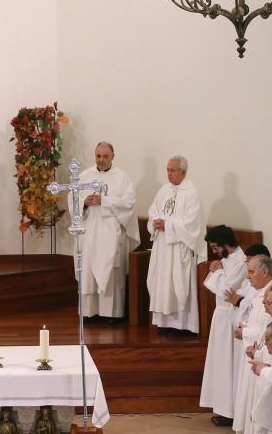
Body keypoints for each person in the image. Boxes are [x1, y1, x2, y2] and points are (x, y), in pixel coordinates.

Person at [73, 142, 139, 324]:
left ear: (112, 157)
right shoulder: (84, 176)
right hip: (89, 231)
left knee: (111, 271)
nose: (101, 160)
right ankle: (89, 312)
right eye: (98, 156)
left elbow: (129, 202)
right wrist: (84, 202)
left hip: (111, 230)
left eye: (105, 156)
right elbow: (73, 201)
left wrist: (104, 200)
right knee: (88, 270)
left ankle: (112, 314)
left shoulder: (123, 177)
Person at [231, 255, 272, 434]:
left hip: (264, 360)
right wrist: (245, 328)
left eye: (251, 272)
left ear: (265, 272)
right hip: (256, 354)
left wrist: (247, 332)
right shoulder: (263, 292)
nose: (248, 276)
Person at [146, 156, 206, 335]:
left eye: (172, 170)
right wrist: (156, 222)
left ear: (183, 172)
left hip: (179, 247)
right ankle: (164, 322)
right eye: (167, 170)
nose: (169, 174)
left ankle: (182, 325)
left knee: (178, 284)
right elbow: (153, 212)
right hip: (162, 247)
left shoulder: (192, 193)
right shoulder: (163, 190)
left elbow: (192, 222)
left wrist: (168, 225)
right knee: (162, 283)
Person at [199, 225, 248, 426]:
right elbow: (213, 282)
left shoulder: (242, 261)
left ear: (226, 244)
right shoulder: (227, 260)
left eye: (215, 247)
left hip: (230, 317)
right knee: (220, 364)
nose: (214, 252)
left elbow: (226, 290)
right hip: (221, 317)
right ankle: (223, 407)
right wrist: (218, 268)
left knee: (229, 364)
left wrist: (219, 271)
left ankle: (231, 411)